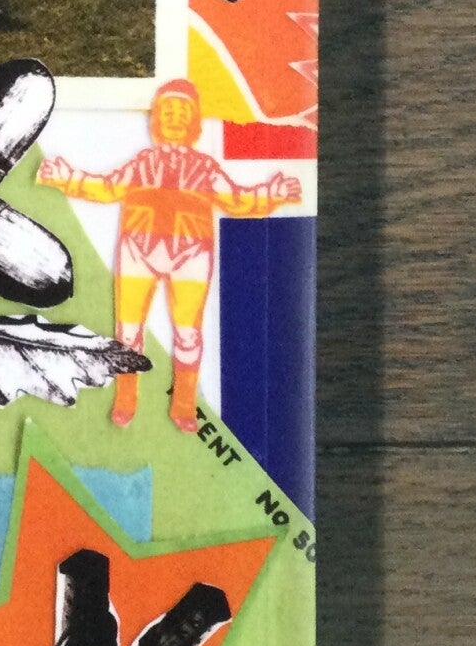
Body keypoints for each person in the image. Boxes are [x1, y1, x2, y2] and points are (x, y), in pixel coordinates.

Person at [37, 79, 301, 431]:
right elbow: (107, 187)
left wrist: (272, 193)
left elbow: (237, 199)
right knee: (128, 331)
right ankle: (125, 400)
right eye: (168, 111)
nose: (175, 118)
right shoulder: (143, 162)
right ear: (157, 118)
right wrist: (67, 178)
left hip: (191, 254)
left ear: (194, 121)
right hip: (137, 250)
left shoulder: (204, 168)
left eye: (183, 112)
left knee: (188, 333)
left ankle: (184, 406)